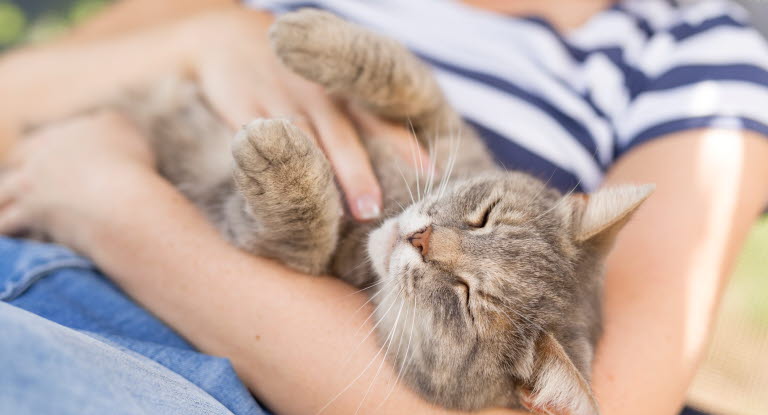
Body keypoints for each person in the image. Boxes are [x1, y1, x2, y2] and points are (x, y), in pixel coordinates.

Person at [1, 0, 767, 414]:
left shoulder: (693, 61)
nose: (436, 241)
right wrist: (205, 35)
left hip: (175, 369)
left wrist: (117, 209)